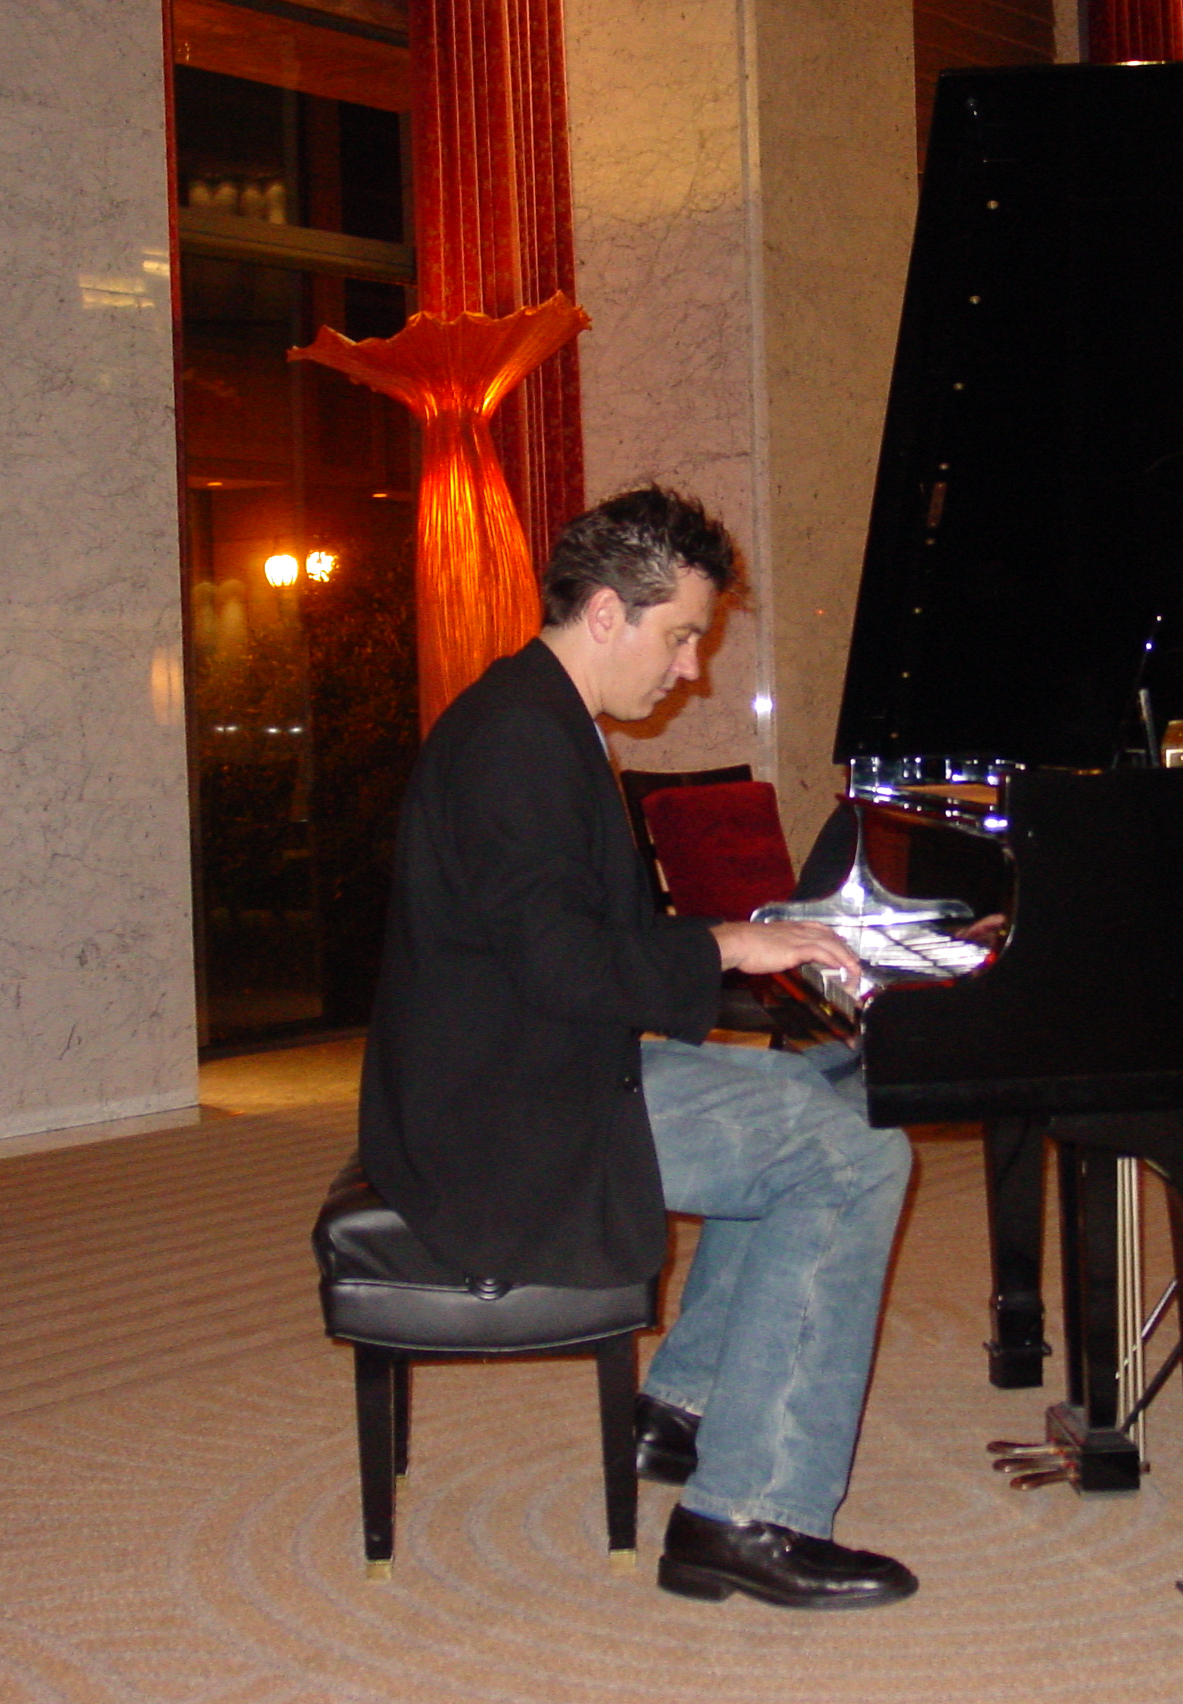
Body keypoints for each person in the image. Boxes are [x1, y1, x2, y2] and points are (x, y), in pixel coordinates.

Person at [357, 485, 919, 1610]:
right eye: (681, 636)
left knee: (832, 1093)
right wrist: (725, 946)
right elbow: (564, 967)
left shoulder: (539, 718)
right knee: (856, 1156)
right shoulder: (518, 741)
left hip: (525, 1069)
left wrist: (747, 945)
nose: (692, 668)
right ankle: (748, 1516)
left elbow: (579, 947)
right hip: (503, 1121)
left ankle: (683, 1408)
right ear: (608, 613)